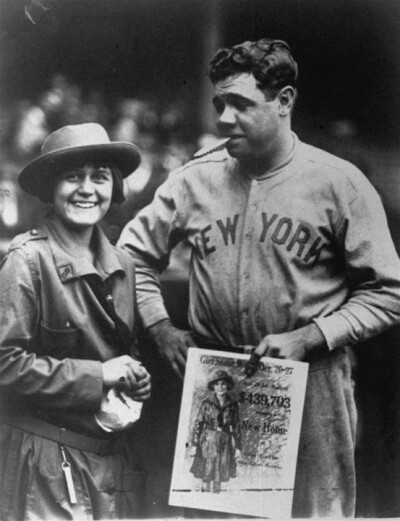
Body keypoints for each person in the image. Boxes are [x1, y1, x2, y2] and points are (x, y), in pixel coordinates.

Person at [117, 39, 400, 517]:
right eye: (220, 103)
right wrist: (160, 327)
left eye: (242, 104)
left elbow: (387, 292)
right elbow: (130, 258)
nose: (224, 118)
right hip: (220, 378)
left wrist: (310, 336)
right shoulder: (194, 180)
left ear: (284, 101)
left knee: (314, 513)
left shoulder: (339, 183)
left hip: (314, 384)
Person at [0, 123, 151, 520]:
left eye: (99, 177)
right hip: (45, 463)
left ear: (114, 188)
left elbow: (121, 354)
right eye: (73, 177)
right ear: (52, 186)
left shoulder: (124, 264)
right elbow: (4, 365)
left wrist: (133, 377)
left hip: (110, 464)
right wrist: (99, 374)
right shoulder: (27, 261)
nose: (87, 189)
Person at [189, 370, 241, 494]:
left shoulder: (232, 405)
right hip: (208, 440)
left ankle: (215, 497)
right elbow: (198, 424)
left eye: (223, 384)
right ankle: (204, 497)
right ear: (213, 386)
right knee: (207, 470)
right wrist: (194, 445)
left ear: (228, 385)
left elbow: (236, 426)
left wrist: (238, 447)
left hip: (224, 440)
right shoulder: (207, 403)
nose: (220, 387)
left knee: (219, 472)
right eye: (217, 384)